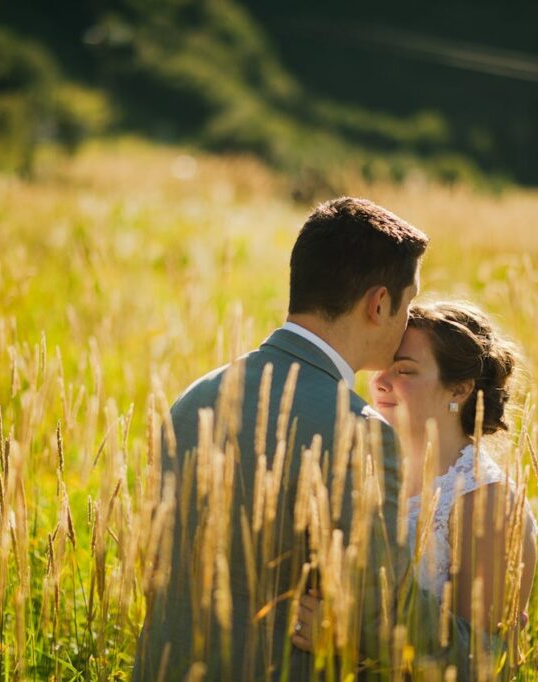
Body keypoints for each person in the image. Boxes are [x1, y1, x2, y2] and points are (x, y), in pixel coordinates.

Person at [131, 197, 476, 681]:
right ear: (379, 304)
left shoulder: (195, 399)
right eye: (409, 302)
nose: (408, 321)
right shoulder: (357, 433)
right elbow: (380, 614)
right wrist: (482, 650)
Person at [293, 300, 538, 668]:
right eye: (382, 367)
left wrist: (346, 644)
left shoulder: (489, 505)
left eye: (404, 371)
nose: (379, 382)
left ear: (459, 391)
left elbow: (478, 663)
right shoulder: (361, 474)